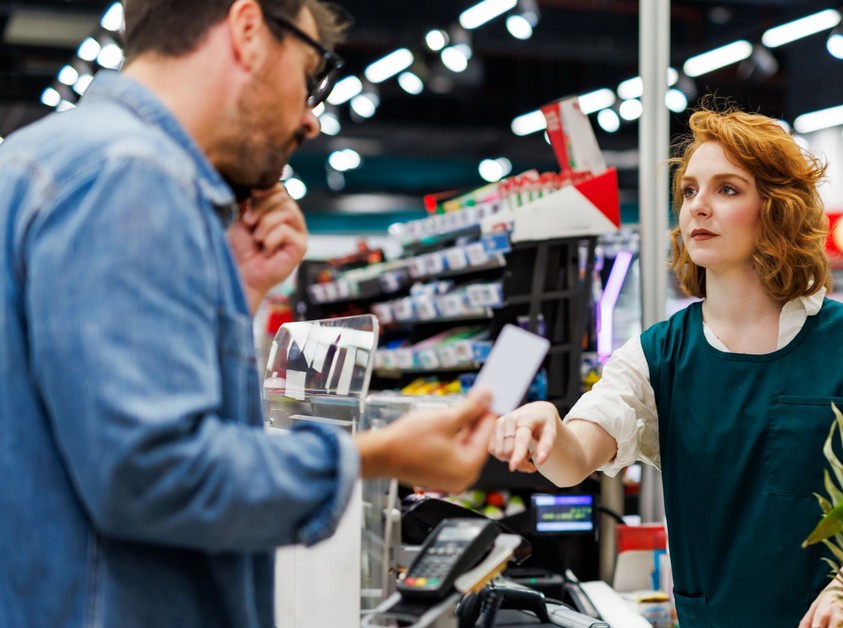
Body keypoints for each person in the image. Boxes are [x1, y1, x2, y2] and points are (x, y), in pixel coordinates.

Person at [0, 1, 496, 626]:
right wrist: (375, 456)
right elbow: (154, 474)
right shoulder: (130, 176)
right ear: (248, 31)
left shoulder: (46, 159)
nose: (311, 119)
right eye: (310, 74)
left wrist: (236, 291)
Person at [491, 107, 843, 628]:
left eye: (727, 189)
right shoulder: (659, 355)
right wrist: (547, 425)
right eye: (689, 191)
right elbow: (574, 461)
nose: (699, 206)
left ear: (777, 209)